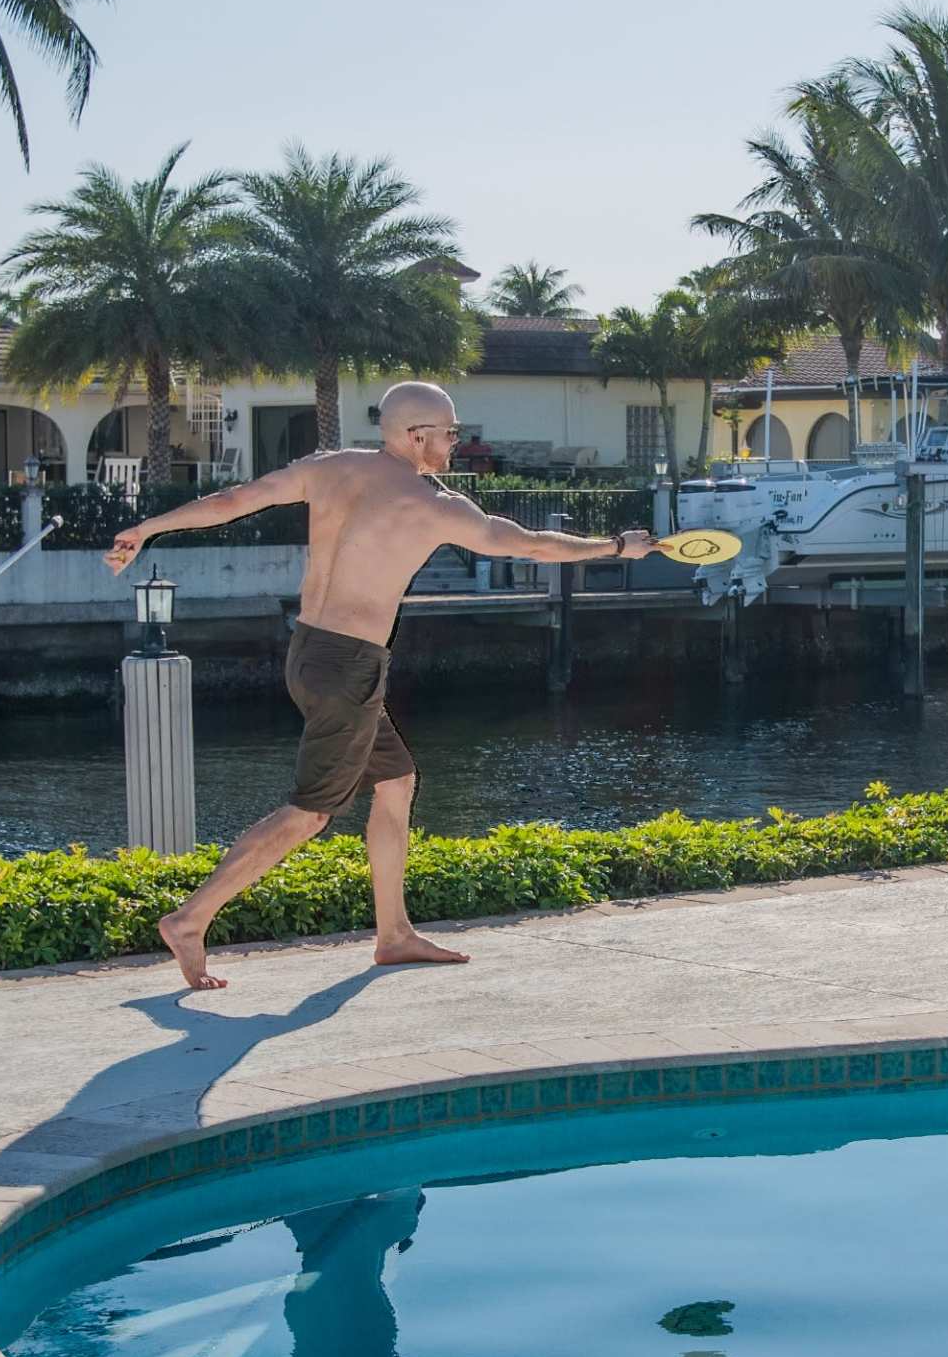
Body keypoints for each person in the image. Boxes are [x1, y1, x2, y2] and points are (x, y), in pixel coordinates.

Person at [106, 380, 651, 987]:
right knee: (310, 813)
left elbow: (234, 500)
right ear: (417, 436)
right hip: (347, 666)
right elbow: (526, 545)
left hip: (309, 650)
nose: (456, 441)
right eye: (449, 432)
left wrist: (149, 527)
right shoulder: (432, 504)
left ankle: (393, 934)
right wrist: (613, 546)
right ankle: (191, 919)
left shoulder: (329, 467)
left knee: (396, 781)